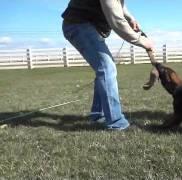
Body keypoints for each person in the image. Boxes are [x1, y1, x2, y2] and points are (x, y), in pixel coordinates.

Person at [62, 0, 154, 130]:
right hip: (78, 25)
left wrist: (130, 18)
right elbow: (116, 21)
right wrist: (141, 41)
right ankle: (117, 123)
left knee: (104, 69)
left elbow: (119, 5)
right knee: (106, 68)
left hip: (86, 26)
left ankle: (97, 115)